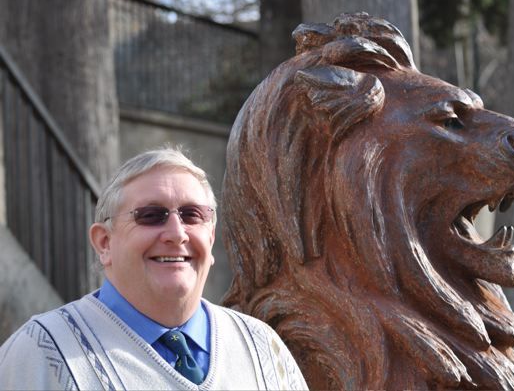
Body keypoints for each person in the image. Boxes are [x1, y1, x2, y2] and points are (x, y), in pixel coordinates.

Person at [0, 148, 308, 390]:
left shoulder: (263, 348)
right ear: (104, 243)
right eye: (150, 215)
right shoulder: (40, 354)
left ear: (211, 237)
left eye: (192, 215)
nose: (177, 233)